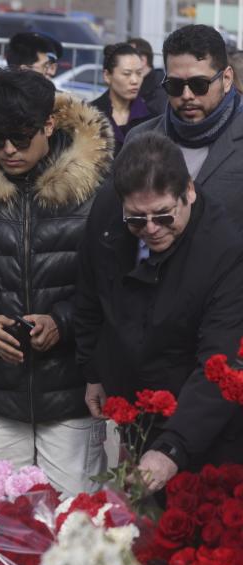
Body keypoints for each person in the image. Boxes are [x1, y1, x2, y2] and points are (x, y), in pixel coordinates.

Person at [0, 71, 114, 495]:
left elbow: (112, 278)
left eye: (21, 137)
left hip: (72, 392)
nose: (9, 150)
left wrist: (62, 322)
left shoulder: (96, 188)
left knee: (72, 525)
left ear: (49, 125)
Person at [75, 132, 243, 491]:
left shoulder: (224, 252)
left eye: (164, 216)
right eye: (136, 219)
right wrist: (93, 369)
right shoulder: (109, 211)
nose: (150, 229)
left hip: (198, 416)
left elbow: (220, 362)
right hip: (135, 402)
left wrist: (172, 447)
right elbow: (91, 290)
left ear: (189, 192)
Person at [103, 25, 243, 215]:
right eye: (175, 85)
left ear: (226, 79)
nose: (186, 95)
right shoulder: (139, 138)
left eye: (199, 84)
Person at [91, 43, 154, 155]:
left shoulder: (152, 118)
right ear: (107, 76)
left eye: (139, 73)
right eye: (127, 74)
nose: (135, 80)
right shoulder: (89, 116)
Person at [129, 37, 168, 114]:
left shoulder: (160, 85)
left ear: (143, 60)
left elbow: (157, 115)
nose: (123, 60)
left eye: (128, 56)